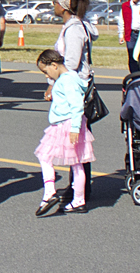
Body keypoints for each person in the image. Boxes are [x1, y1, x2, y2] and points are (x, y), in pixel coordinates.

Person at [32, 48, 95, 215]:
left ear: (54, 65)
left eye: (46, 71)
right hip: (69, 123)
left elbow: (76, 105)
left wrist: (74, 128)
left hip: (66, 125)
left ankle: (49, 192)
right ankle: (79, 201)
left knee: (45, 156)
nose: (46, 76)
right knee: (77, 164)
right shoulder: (70, 79)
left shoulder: (66, 80)